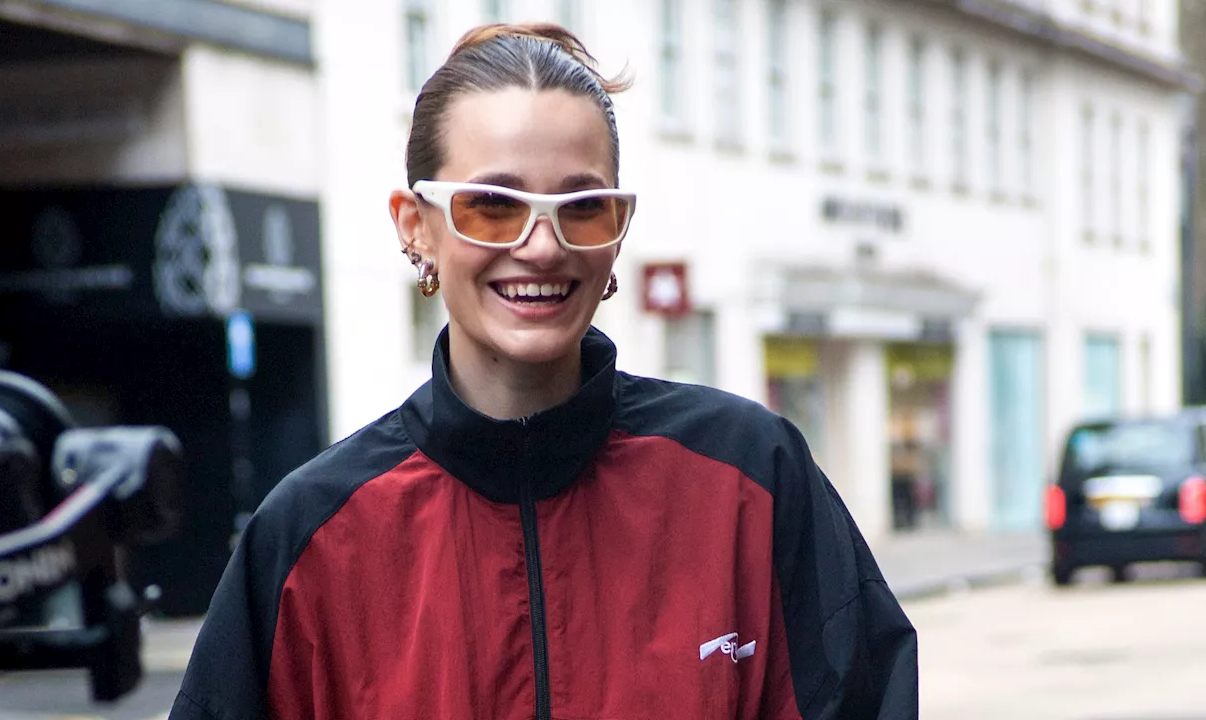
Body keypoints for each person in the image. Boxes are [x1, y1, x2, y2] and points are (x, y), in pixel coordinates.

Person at [170, 22, 917, 720]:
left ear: (618, 231)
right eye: (492, 205)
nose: (541, 245)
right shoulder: (309, 538)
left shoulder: (753, 478)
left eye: (583, 207)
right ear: (415, 225)